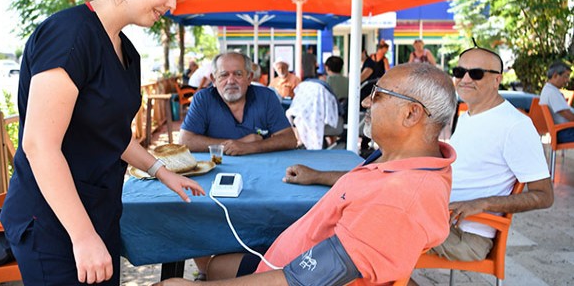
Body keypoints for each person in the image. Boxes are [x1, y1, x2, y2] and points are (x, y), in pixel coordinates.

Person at [0, 0, 205, 285]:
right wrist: (82, 236)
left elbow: (110, 134)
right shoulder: (69, 34)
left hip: (99, 212)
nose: (173, 4)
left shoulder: (127, 51)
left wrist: (161, 170)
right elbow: (39, 145)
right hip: (53, 222)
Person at [155, 62, 458, 286]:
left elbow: (304, 280)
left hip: (291, 273)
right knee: (216, 264)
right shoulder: (410, 162)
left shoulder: (398, 200)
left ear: (411, 114)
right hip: (289, 257)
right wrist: (318, 176)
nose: (366, 101)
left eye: (377, 94)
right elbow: (369, 183)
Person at [283, 48, 554, 268]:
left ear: (497, 79)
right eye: (460, 72)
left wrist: (481, 203)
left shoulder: (515, 125)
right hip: (429, 215)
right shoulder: (470, 115)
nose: (465, 79)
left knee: (354, 233)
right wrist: (317, 176)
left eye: (477, 73)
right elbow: (394, 171)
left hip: (464, 234)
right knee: (340, 217)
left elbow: (544, 195)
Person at [178, 52, 297, 156]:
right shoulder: (203, 99)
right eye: (224, 75)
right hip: (217, 168)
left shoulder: (266, 97)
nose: (231, 81)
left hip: (262, 166)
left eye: (238, 74)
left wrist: (250, 147)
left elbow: (289, 139)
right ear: (213, 80)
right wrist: (241, 142)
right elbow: (185, 140)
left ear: (249, 77)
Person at [360, 40, 390, 154]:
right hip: (368, 88)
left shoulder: (384, 60)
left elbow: (387, 72)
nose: (385, 52)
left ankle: (366, 141)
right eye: (384, 49)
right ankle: (365, 140)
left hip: (374, 89)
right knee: (368, 113)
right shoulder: (372, 59)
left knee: (371, 113)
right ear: (380, 49)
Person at [539, 61, 574, 143]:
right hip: (565, 132)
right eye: (566, 77)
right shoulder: (552, 93)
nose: (567, 80)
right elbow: (568, 116)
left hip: (565, 130)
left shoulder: (549, 90)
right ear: (555, 75)